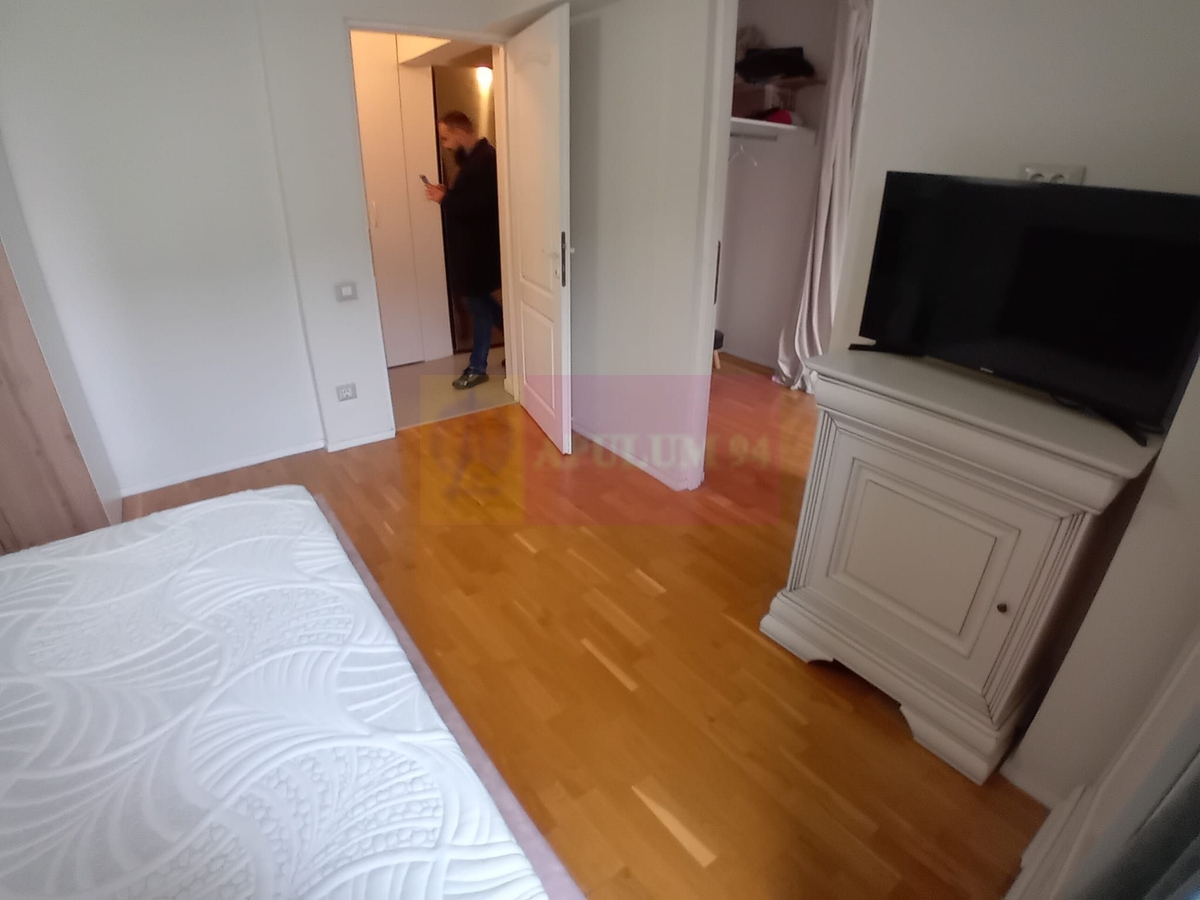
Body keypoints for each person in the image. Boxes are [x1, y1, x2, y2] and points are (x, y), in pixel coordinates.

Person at [425, 110, 503, 390]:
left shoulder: (486, 160)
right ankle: (523, 348)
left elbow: (479, 208)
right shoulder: (473, 159)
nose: (444, 143)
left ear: (459, 131)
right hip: (471, 249)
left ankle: (477, 367)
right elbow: (470, 199)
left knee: (478, 306)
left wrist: (444, 199)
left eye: (445, 137)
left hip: (479, 249)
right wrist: (449, 194)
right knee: (480, 303)